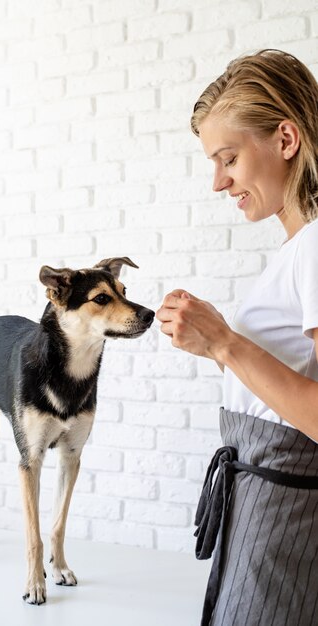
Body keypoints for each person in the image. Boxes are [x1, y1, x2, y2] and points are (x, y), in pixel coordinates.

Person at [156, 49, 318, 626]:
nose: (219, 181)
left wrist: (226, 343)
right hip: (262, 506)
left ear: (286, 139)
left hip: (281, 516)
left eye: (228, 157)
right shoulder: (298, 250)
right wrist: (212, 344)